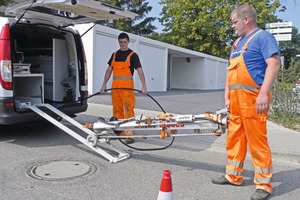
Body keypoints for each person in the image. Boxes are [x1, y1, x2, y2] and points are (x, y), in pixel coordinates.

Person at [211, 4, 280, 200]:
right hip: (236, 101)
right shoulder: (236, 44)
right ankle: (233, 175)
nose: (233, 26)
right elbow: (230, 72)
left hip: (253, 100)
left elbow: (274, 64)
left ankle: (264, 185)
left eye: (235, 22)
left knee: (257, 141)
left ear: (246, 20)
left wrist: (263, 94)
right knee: (234, 138)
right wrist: (227, 96)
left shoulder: (262, 37)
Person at [100, 32, 147, 144]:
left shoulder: (133, 55)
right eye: (121, 42)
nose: (123, 44)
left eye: (125, 42)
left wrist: (144, 86)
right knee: (117, 110)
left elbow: (140, 71)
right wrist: (104, 85)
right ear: (118, 42)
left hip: (127, 89)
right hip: (115, 89)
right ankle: (119, 133)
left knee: (128, 110)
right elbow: (109, 71)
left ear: (128, 41)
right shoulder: (114, 55)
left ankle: (129, 135)